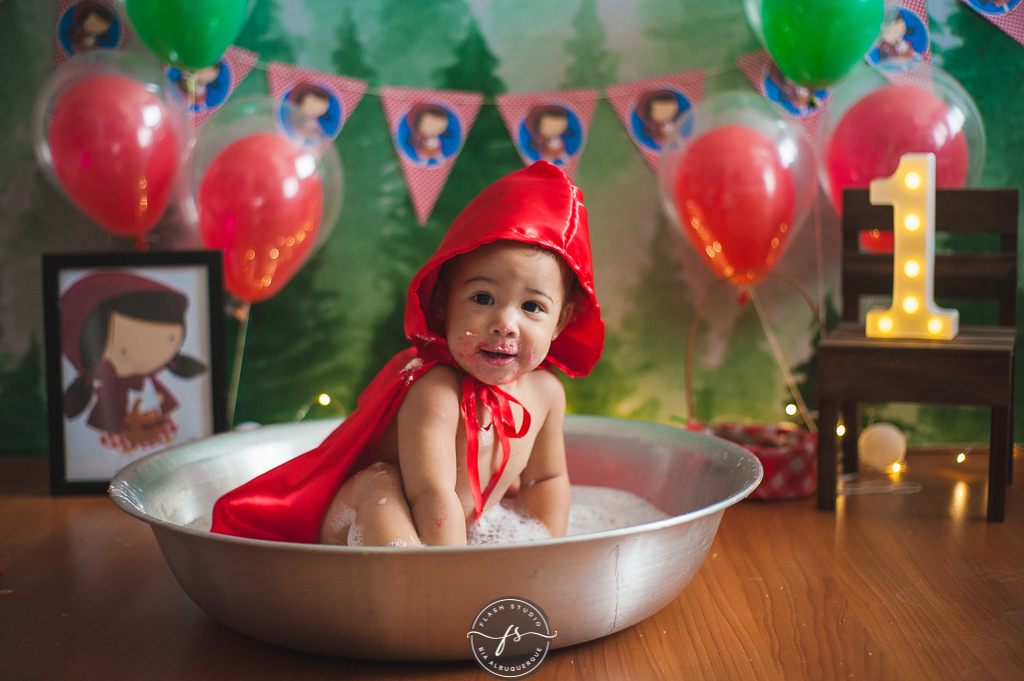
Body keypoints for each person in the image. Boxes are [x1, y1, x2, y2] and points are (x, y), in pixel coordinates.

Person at [211, 161, 605, 546]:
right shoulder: (436, 391)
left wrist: (541, 553)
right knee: (381, 483)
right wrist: (456, 577)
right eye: (483, 298)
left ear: (560, 321)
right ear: (441, 306)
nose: (505, 323)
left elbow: (546, 480)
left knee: (519, 489)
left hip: (449, 529)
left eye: (532, 307)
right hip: (361, 520)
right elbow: (431, 495)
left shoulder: (546, 393)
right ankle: (419, 590)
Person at [61, 272, 207, 453]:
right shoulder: (113, 388)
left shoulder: (149, 383)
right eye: (123, 351)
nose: (144, 358)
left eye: (169, 340)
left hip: (153, 424)